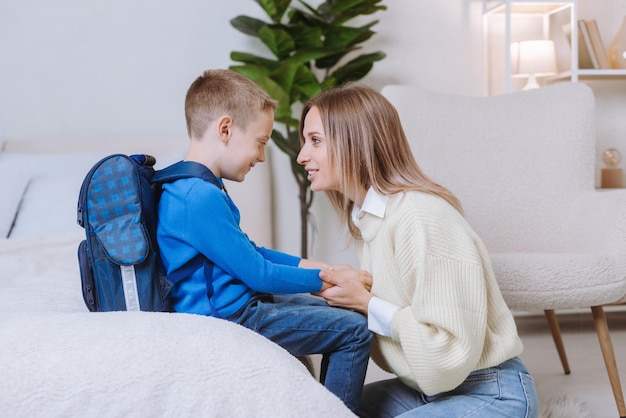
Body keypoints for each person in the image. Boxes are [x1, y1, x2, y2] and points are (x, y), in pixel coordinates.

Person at [296, 83, 539, 418]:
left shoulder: (422, 216)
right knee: (324, 410)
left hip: (491, 393)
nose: (302, 156)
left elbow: (449, 353)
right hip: (428, 393)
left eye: (316, 141)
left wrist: (367, 303)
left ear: (358, 144)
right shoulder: (368, 220)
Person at [156, 69, 372, 412]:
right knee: (355, 331)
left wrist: (318, 267)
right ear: (225, 129)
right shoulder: (199, 197)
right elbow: (258, 273)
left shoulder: (188, 187)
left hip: (236, 305)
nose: (261, 156)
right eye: (260, 142)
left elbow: (248, 252)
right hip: (230, 316)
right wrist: (325, 280)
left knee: (343, 316)